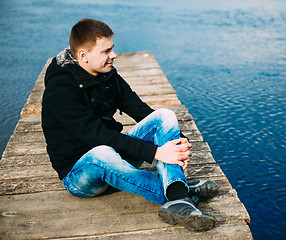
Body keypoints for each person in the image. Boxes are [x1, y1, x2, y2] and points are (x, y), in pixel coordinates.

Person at [41, 18, 219, 232]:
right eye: (106, 51)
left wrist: (179, 143)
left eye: (112, 49)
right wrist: (156, 152)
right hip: (79, 174)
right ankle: (181, 191)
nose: (113, 55)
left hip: (113, 153)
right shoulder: (60, 89)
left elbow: (139, 109)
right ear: (83, 55)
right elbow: (97, 136)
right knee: (103, 153)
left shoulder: (107, 75)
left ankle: (178, 196)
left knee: (165, 116)